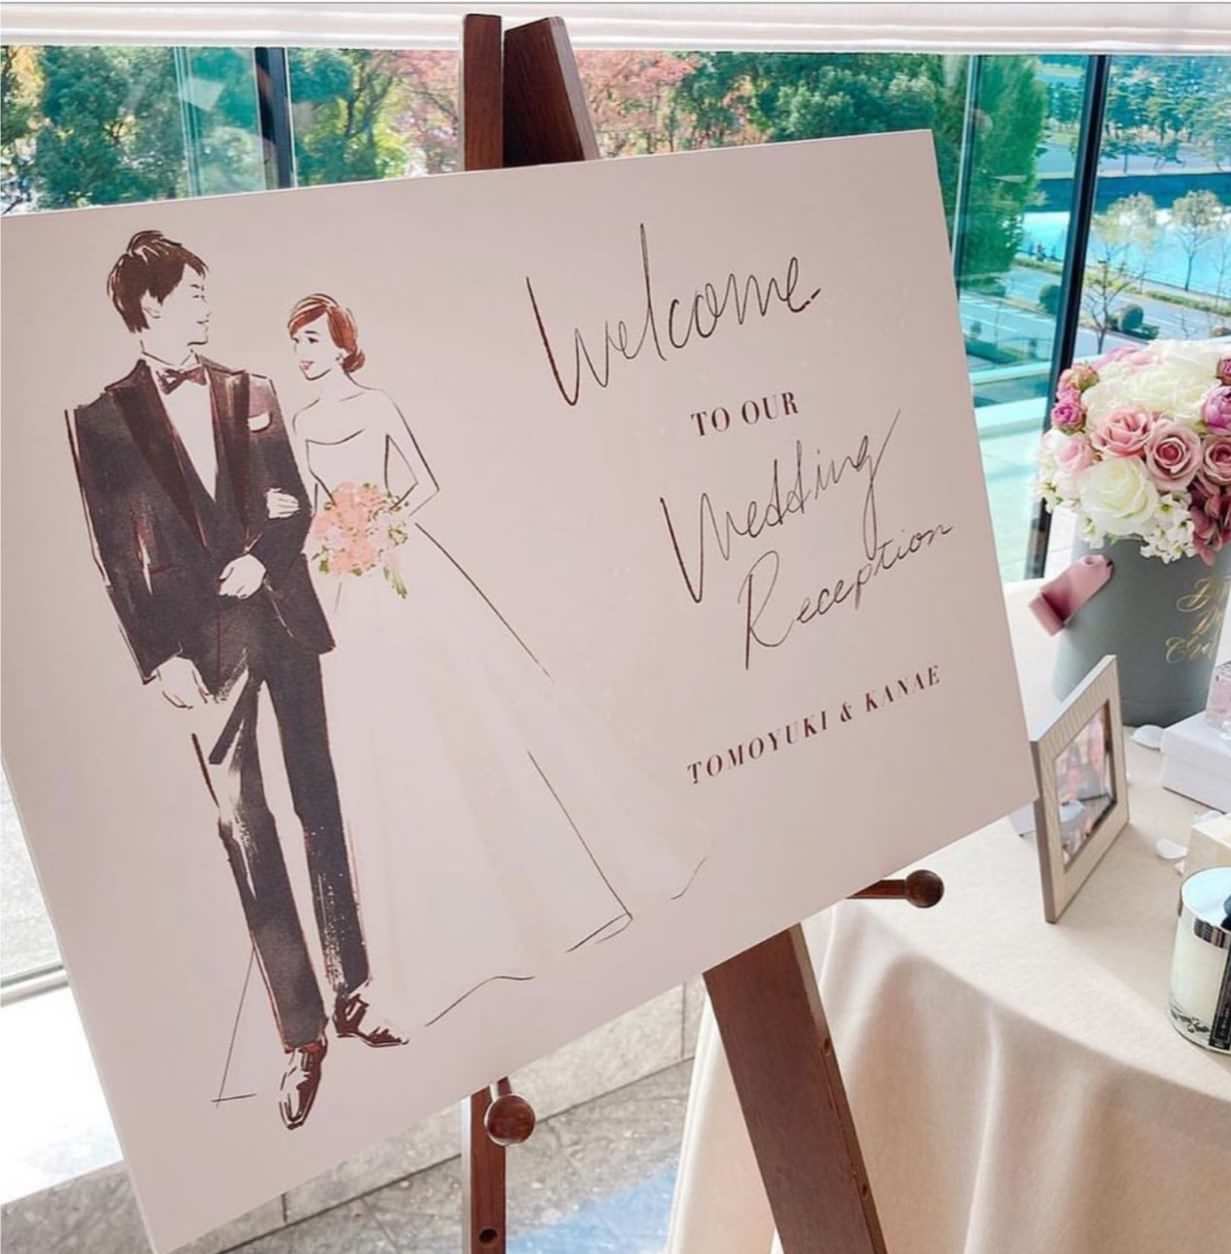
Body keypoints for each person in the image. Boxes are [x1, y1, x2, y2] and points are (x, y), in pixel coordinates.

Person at [284, 293, 706, 1028]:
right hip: (347, 582)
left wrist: (380, 521)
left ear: (343, 345)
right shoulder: (301, 422)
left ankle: (551, 887)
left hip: (401, 565)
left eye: (314, 340)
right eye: (297, 343)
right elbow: (314, 505)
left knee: (472, 706)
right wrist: (331, 536)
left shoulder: (377, 405)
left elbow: (424, 482)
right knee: (381, 736)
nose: (304, 353)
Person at [69, 232, 404, 1133]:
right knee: (246, 829)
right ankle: (301, 1037)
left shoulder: (252, 389)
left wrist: (263, 555)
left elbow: (294, 503)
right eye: (193, 297)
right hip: (201, 651)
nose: (208, 310)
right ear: (150, 307)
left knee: (319, 805)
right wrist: (157, 655)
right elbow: (113, 552)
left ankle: (353, 990)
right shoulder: (99, 420)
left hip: (284, 622)